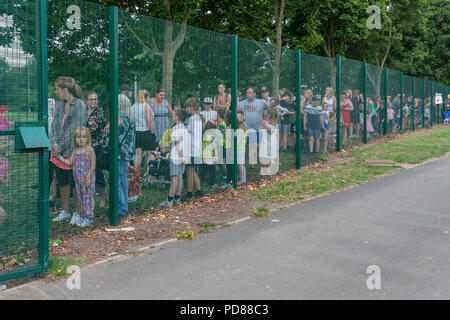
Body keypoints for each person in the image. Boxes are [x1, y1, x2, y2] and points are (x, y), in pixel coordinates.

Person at [51, 77, 88, 223]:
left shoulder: (80, 105)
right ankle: (65, 211)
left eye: (56, 89)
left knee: (75, 183)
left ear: (64, 89)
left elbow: (76, 130)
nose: (55, 92)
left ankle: (78, 213)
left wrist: (61, 146)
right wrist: (54, 144)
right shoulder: (60, 105)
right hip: (58, 150)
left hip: (73, 150)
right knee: (62, 181)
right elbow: (54, 126)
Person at [57, 127, 95, 227]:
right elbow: (70, 163)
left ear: (87, 139)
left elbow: (93, 165)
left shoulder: (89, 150)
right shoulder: (75, 151)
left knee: (88, 198)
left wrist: (87, 177)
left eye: (83, 137)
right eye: (78, 137)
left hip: (87, 179)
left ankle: (89, 217)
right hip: (78, 180)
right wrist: (60, 157)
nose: (81, 139)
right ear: (75, 139)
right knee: (80, 197)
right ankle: (82, 216)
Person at [160, 109, 189, 207]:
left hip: (177, 156)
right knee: (180, 176)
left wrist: (179, 155)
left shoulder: (175, 128)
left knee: (174, 178)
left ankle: (170, 200)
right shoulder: (186, 128)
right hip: (183, 155)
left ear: (177, 117)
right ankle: (177, 198)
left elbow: (176, 143)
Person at [85, 92, 107, 207]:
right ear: (87, 100)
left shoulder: (99, 113)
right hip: (85, 147)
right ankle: (90, 196)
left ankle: (102, 197)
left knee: (98, 171)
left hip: (96, 147)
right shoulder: (84, 112)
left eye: (96, 99)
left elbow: (95, 128)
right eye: (91, 99)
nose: (94, 101)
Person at [117, 94, 135, 222]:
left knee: (117, 181)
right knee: (123, 180)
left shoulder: (119, 117)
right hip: (127, 153)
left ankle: (121, 209)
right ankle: (124, 207)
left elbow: (115, 136)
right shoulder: (131, 118)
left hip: (118, 153)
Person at [183, 97, 203, 201]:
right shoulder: (198, 118)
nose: (186, 109)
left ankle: (189, 193)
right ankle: (199, 191)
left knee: (189, 171)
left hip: (191, 149)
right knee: (193, 170)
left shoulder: (192, 119)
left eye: (187, 106)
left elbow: (188, 133)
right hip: (197, 149)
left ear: (192, 108)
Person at [133, 89, 155, 171]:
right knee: (151, 154)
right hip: (146, 132)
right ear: (147, 97)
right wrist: (152, 133)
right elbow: (149, 121)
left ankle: (136, 174)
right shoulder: (146, 106)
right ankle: (149, 174)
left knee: (138, 154)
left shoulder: (134, 106)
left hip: (137, 133)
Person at [259, 108, 279, 176]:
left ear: (271, 114)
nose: (267, 114)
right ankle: (265, 170)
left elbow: (271, 132)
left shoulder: (274, 123)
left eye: (268, 113)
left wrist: (265, 125)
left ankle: (268, 171)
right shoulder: (268, 122)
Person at [202, 122, 219, 189]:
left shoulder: (204, 135)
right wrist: (216, 157)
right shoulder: (212, 137)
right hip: (211, 157)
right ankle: (212, 184)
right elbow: (214, 148)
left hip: (205, 156)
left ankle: (205, 182)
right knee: (212, 171)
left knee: (206, 170)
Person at [0, 136, 9, 224]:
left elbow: (6, 183)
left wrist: (4, 181)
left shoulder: (6, 161)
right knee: (2, 215)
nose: (7, 145)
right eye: (4, 143)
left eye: (7, 143)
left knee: (2, 216)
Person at [236, 109, 247, 185]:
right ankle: (242, 178)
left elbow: (238, 141)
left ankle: (243, 179)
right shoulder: (243, 128)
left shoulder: (239, 130)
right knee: (240, 164)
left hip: (239, 149)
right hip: (241, 149)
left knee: (240, 164)